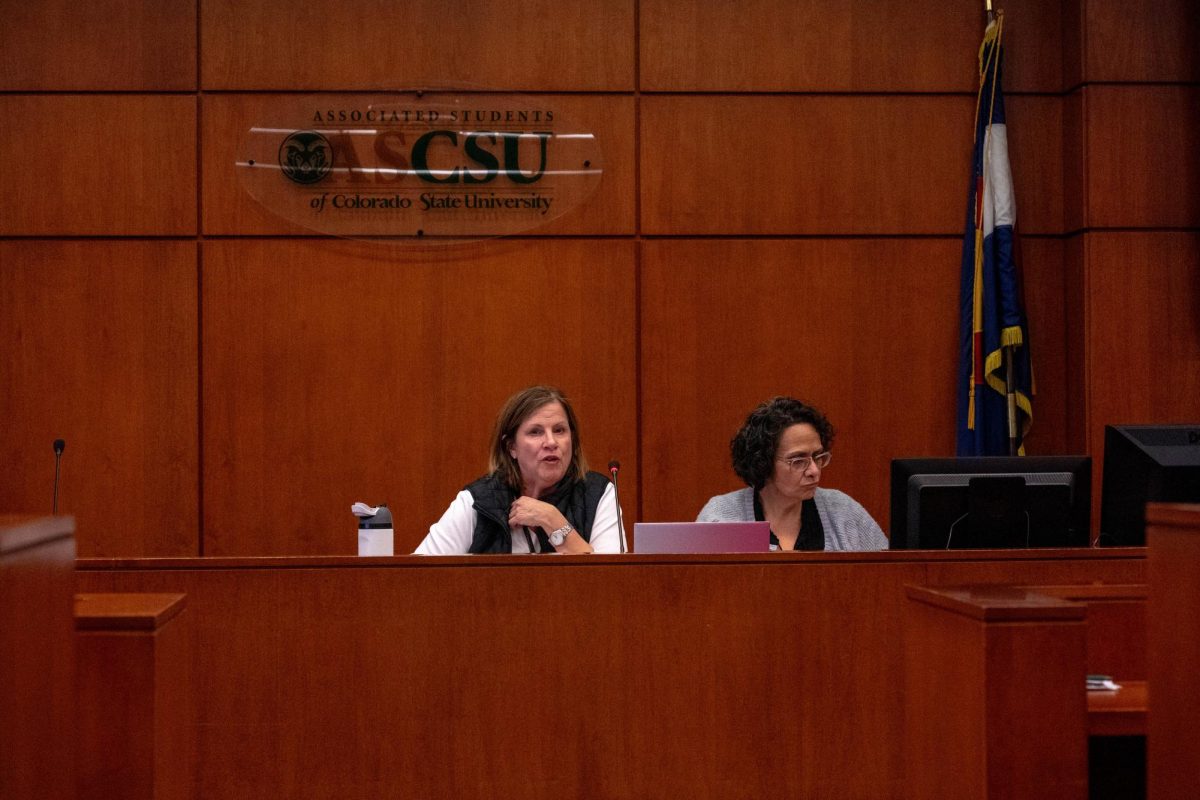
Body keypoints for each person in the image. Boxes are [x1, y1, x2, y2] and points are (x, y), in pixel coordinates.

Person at [415, 385, 624, 554]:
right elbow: (420, 576)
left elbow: (611, 581)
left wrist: (551, 518)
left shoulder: (597, 494)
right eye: (535, 432)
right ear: (511, 447)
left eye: (559, 430)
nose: (551, 442)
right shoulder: (479, 501)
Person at [697, 397, 887, 551]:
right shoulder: (722, 516)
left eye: (818, 456)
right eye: (798, 461)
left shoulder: (843, 511)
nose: (814, 471)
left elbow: (888, 578)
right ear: (764, 463)